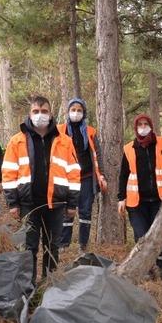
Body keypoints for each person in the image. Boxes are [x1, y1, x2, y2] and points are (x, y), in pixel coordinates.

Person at [2, 95, 80, 282]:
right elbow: (8, 173)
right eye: (36, 111)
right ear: (29, 114)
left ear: (51, 113)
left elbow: (74, 173)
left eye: (44, 111)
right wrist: (13, 203)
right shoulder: (17, 140)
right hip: (29, 204)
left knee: (52, 246)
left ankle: (49, 283)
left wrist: (72, 203)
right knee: (29, 247)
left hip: (56, 203)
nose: (40, 115)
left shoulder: (65, 141)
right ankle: (28, 285)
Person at [117, 114, 162, 281]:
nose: (143, 127)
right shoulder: (129, 149)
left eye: (146, 124)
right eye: (140, 124)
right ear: (135, 128)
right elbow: (123, 176)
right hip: (136, 202)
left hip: (160, 200)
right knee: (141, 236)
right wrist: (121, 198)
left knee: (160, 235)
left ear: (151, 125)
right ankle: (146, 269)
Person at [59, 97, 108, 252]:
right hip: (66, 178)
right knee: (66, 210)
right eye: (73, 110)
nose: (76, 113)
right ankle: (63, 243)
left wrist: (102, 176)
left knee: (85, 211)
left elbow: (97, 155)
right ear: (68, 112)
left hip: (86, 177)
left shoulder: (90, 131)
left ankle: (82, 245)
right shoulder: (60, 130)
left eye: (79, 110)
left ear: (84, 112)